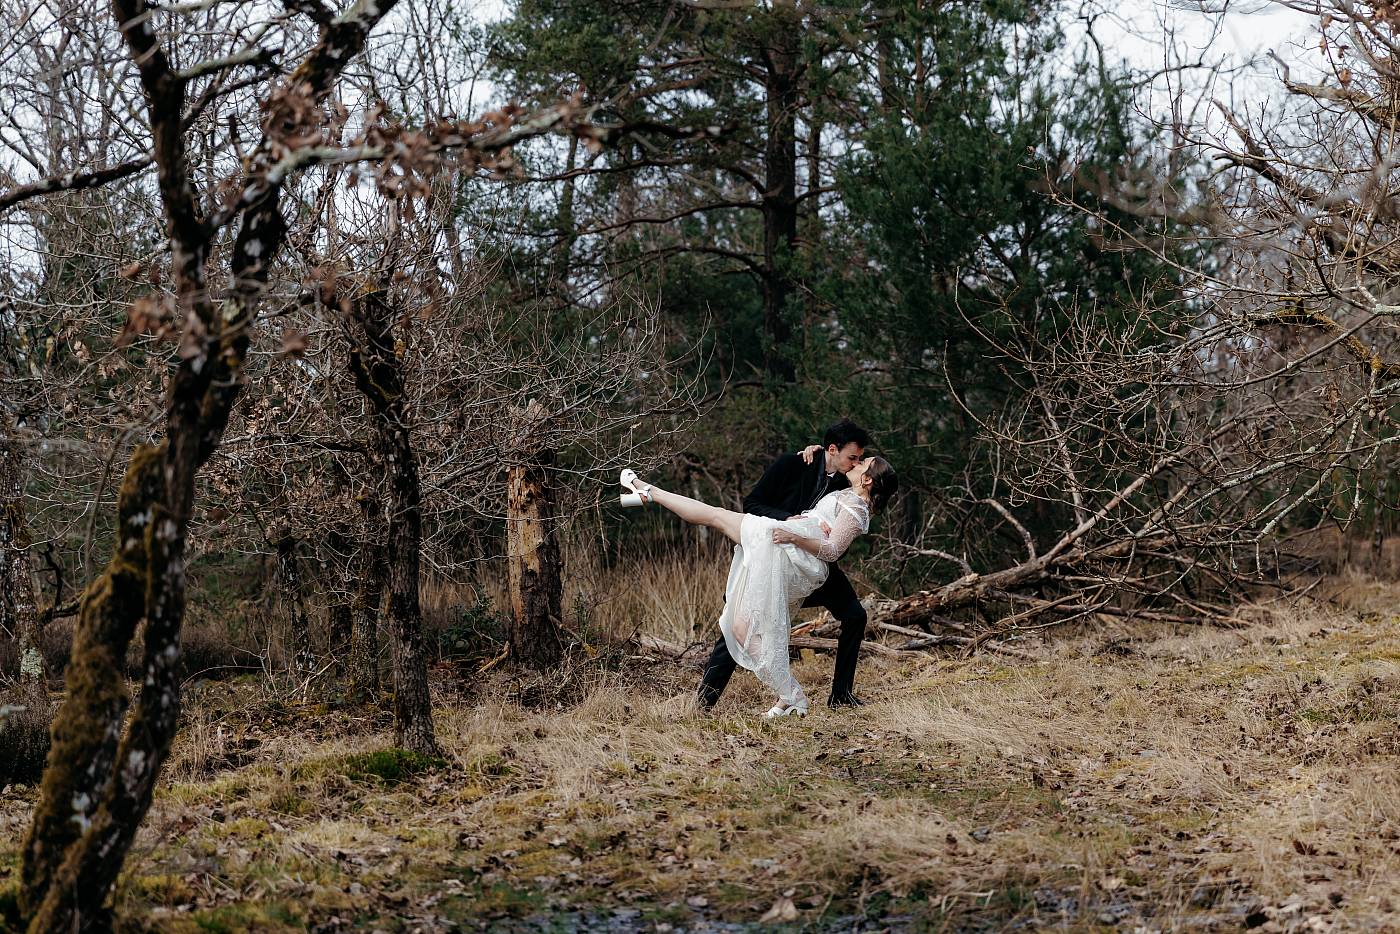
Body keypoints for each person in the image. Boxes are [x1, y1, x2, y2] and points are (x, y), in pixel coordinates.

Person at [619, 433, 897, 718]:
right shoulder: (840, 485)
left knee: (715, 518)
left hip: (790, 547)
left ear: (867, 480)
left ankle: (648, 491)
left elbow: (833, 550)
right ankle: (788, 694)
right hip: (789, 542)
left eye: (862, 463)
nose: (857, 463)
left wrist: (794, 534)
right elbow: (821, 502)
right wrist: (815, 456)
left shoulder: (856, 505)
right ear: (833, 450)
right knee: (740, 624)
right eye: (855, 457)